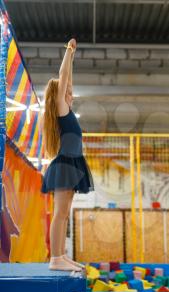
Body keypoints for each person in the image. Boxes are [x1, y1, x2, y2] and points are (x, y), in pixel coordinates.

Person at [40, 38, 94, 271]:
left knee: (64, 213)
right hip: (65, 164)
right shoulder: (61, 109)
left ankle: (61, 255)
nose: (71, 94)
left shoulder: (67, 110)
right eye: (67, 92)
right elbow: (63, 78)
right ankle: (55, 258)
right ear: (60, 96)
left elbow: (67, 78)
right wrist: (68, 52)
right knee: (60, 213)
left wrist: (73, 57)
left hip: (72, 164)